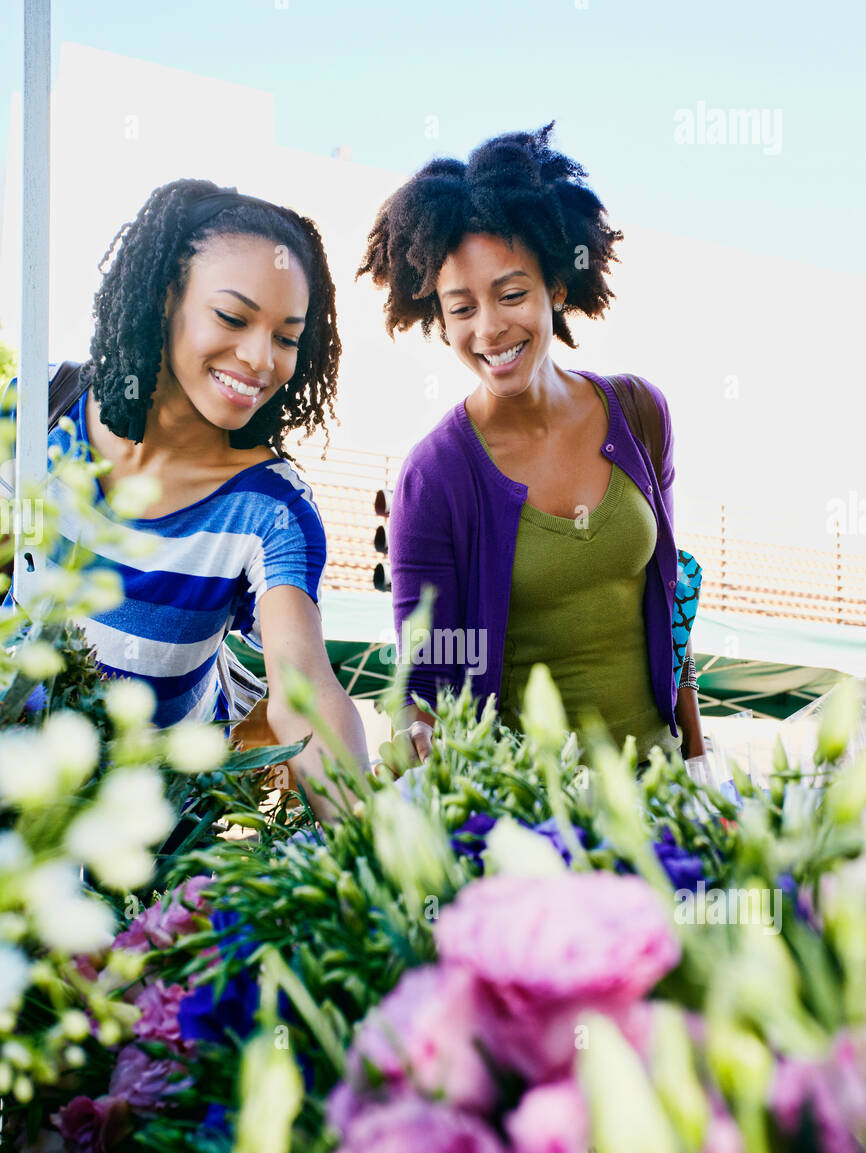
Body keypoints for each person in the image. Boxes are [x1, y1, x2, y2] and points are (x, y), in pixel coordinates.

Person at [1, 179, 370, 821]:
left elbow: (303, 689)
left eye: (286, 337)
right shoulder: (38, 409)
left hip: (150, 838)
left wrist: (368, 845)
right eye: (232, 317)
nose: (260, 359)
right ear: (165, 298)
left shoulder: (272, 509)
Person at [357, 123, 704, 768]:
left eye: (511, 294)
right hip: (530, 817)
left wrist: (700, 767)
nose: (489, 328)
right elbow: (427, 686)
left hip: (664, 800)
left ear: (558, 288)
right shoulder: (436, 475)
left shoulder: (639, 414)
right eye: (460, 308)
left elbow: (671, 616)